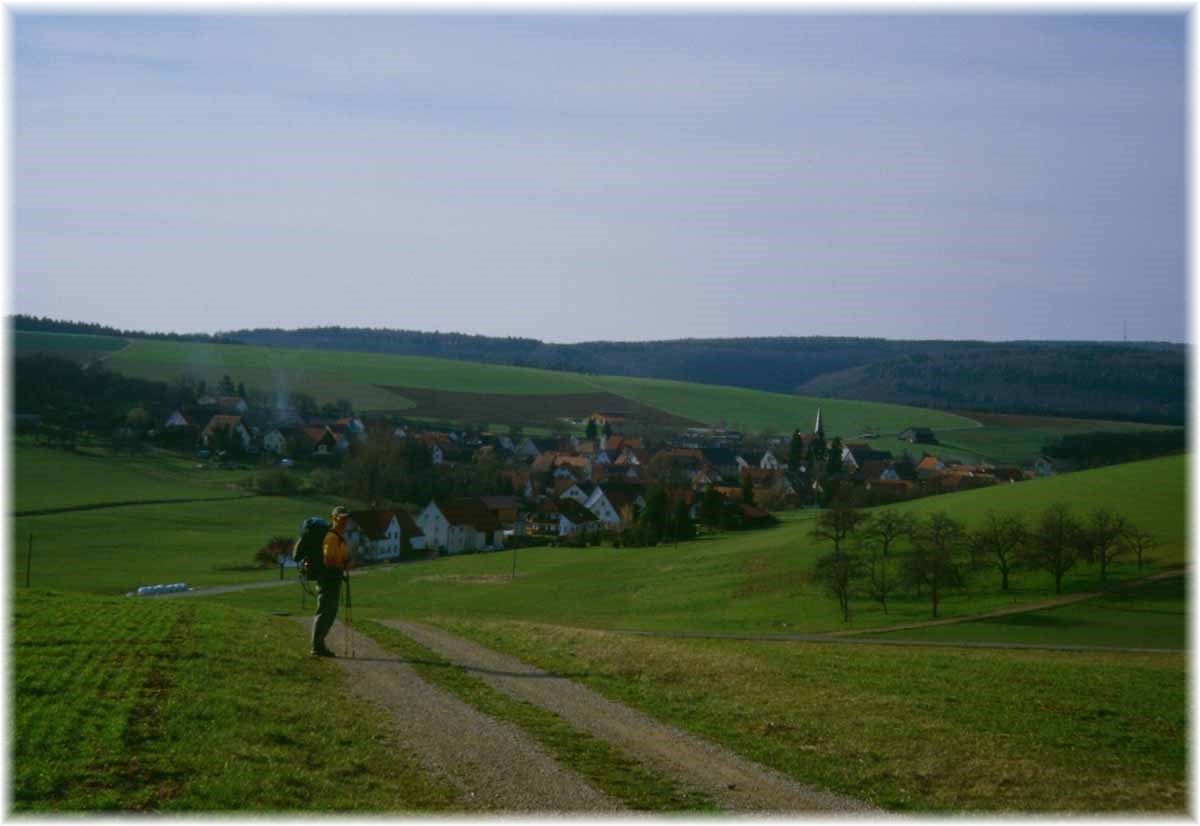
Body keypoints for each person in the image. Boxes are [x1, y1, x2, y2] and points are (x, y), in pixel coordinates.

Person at [309, 505, 351, 657]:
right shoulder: (331, 537)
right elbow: (328, 561)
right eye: (341, 519)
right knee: (325, 612)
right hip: (328, 578)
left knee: (330, 612)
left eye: (346, 519)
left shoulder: (340, 538)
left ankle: (319, 645)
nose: (345, 522)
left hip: (335, 578)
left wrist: (345, 563)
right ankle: (316, 647)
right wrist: (341, 565)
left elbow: (342, 558)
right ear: (334, 518)